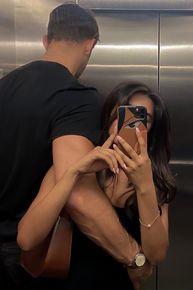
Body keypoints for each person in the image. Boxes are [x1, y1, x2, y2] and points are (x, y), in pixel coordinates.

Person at [0, 3, 143, 290]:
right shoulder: (74, 97)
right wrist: (133, 256)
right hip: (32, 261)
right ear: (90, 45)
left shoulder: (4, 87)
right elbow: (78, 194)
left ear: (46, 40)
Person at [17, 81, 177, 290]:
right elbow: (26, 240)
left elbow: (156, 254)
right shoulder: (75, 165)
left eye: (142, 119)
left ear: (151, 129)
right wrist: (75, 172)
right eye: (123, 114)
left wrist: (144, 183)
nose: (131, 125)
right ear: (109, 117)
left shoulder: (156, 181)